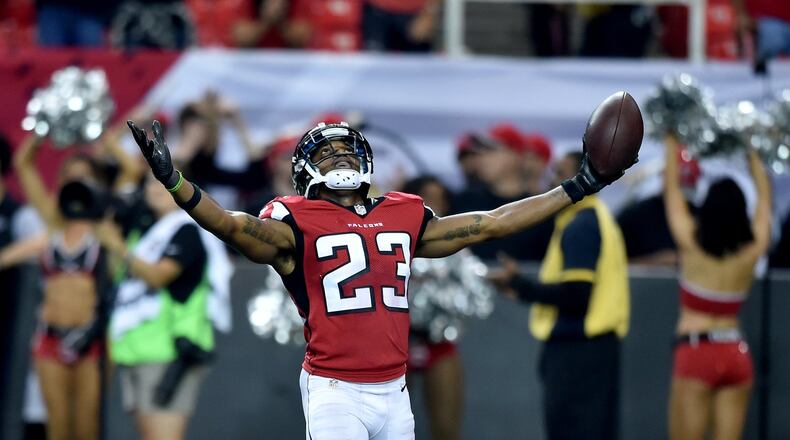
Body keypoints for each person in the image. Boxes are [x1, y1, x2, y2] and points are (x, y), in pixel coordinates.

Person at [125, 116, 632, 440]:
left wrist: (579, 185)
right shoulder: (291, 218)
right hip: (334, 388)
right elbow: (233, 227)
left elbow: (492, 222)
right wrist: (176, 182)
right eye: (325, 154)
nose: (339, 157)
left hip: (395, 390)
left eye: (346, 150)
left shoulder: (402, 211)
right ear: (305, 172)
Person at [489, 151, 630, 440]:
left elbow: (578, 296)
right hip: (590, 351)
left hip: (577, 354)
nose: (552, 180)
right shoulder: (589, 219)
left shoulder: (582, 226)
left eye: (560, 172)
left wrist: (521, 285)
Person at [95, 172, 230, 440]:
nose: (155, 187)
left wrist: (118, 246)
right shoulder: (142, 232)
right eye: (149, 182)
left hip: (168, 353)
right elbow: (121, 277)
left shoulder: (187, 230)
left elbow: (158, 277)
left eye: (164, 180)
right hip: (134, 349)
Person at [663, 137, 771, 440]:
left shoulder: (690, 244)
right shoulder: (752, 252)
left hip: (696, 351)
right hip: (736, 352)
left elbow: (672, 193)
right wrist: (753, 154)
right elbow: (765, 204)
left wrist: (672, 143)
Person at [12, 134, 114, 440]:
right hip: (50, 339)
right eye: (69, 178)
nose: (76, 185)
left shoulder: (105, 227)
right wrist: (45, 129)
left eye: (83, 179)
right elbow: (23, 164)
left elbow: (132, 175)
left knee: (86, 429)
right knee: (57, 428)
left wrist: (106, 139)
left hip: (90, 341)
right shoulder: (53, 222)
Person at [401, 176, 463, 440]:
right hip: (394, 345)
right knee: (388, 430)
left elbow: (470, 290)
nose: (435, 203)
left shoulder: (456, 242)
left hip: (438, 343)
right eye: (429, 196)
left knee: (447, 431)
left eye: (441, 197)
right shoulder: (388, 236)